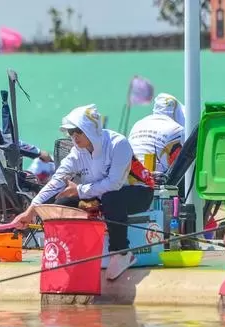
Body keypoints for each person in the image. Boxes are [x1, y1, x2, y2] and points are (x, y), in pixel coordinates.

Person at [13, 104, 155, 280]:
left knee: (112, 198)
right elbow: (55, 182)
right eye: (70, 132)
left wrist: (79, 190)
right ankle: (75, 250)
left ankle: (122, 253)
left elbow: (115, 184)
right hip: (102, 193)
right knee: (61, 203)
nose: (74, 136)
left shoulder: (118, 144)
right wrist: (30, 212)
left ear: (91, 128)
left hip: (139, 191)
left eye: (77, 131)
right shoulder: (76, 153)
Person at [128, 93, 185, 184]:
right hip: (155, 182)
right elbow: (181, 167)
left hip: (129, 177)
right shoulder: (177, 129)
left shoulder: (138, 124)